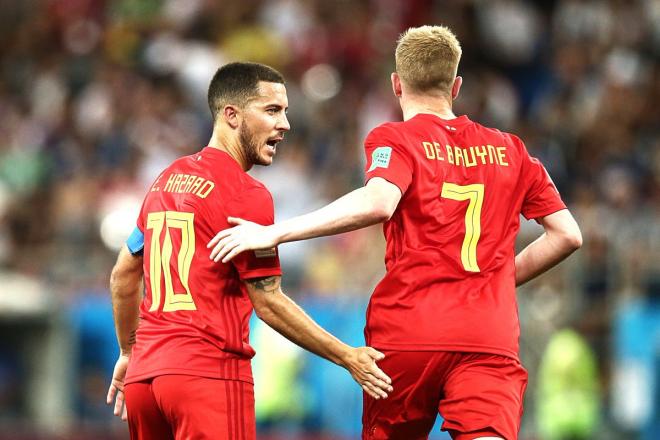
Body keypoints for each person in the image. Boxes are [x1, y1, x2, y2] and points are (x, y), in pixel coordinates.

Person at [208, 26, 583, 440]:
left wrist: (276, 233)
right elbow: (567, 234)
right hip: (486, 333)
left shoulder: (395, 139)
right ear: (455, 86)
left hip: (410, 330)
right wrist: (496, 281)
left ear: (396, 83)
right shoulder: (511, 150)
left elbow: (378, 202)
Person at [106, 62, 393, 440]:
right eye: (272, 110)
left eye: (285, 111)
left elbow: (123, 274)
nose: (285, 123)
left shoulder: (165, 180)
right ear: (232, 116)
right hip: (206, 375)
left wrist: (128, 351)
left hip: (145, 381)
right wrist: (347, 356)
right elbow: (268, 302)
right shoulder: (246, 194)